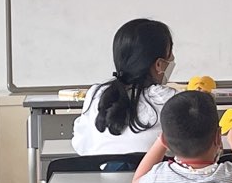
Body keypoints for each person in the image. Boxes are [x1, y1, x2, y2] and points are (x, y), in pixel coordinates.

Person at [71, 19, 174, 156]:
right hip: (153, 171)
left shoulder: (96, 94)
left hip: (99, 170)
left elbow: (81, 145)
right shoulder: (169, 100)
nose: (173, 58)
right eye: (170, 53)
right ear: (159, 65)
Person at [131, 91, 232, 183]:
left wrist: (161, 140)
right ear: (218, 138)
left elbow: (136, 181)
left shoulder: (154, 180)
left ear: (164, 141)